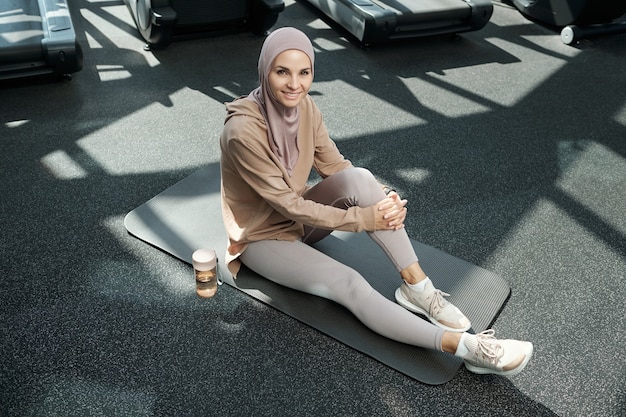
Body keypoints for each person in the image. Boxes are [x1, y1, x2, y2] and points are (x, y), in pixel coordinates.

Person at [220, 27, 533, 376]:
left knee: (361, 177)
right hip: (263, 238)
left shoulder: (305, 107)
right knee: (349, 283)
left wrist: (383, 198)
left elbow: (335, 166)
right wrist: (364, 219)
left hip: (298, 222)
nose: (295, 84)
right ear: (265, 71)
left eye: (304, 72)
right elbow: (286, 206)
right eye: (282, 72)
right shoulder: (242, 131)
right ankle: (467, 348)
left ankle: (418, 287)